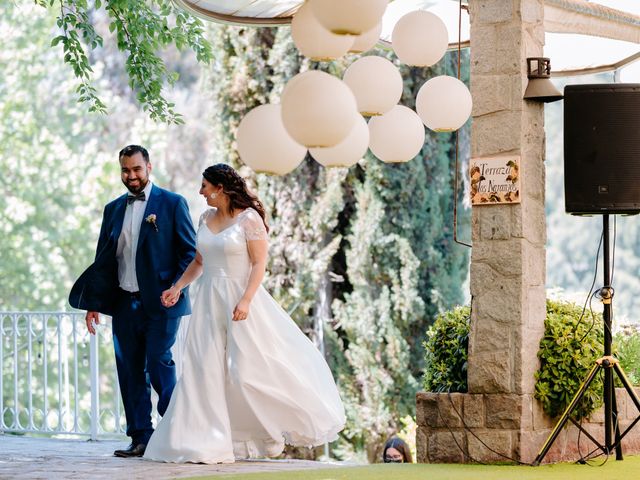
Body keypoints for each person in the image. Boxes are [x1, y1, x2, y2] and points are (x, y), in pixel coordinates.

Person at [143, 163, 345, 464]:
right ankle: (200, 439)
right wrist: (177, 287)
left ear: (220, 188)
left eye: (205, 186)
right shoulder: (205, 218)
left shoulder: (249, 220)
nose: (201, 192)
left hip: (240, 299)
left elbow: (258, 264)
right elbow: (199, 261)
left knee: (249, 368)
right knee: (201, 366)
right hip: (208, 299)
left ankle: (261, 430)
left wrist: (246, 300)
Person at [69, 145, 196, 458]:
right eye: (126, 170)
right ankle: (141, 437)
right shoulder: (112, 209)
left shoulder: (172, 204)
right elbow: (104, 260)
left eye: (137, 169)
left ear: (149, 167)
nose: (131, 176)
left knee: (158, 361)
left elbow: (190, 252)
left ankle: (177, 429)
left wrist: (177, 287)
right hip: (124, 303)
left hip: (163, 302)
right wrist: (94, 302)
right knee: (129, 370)